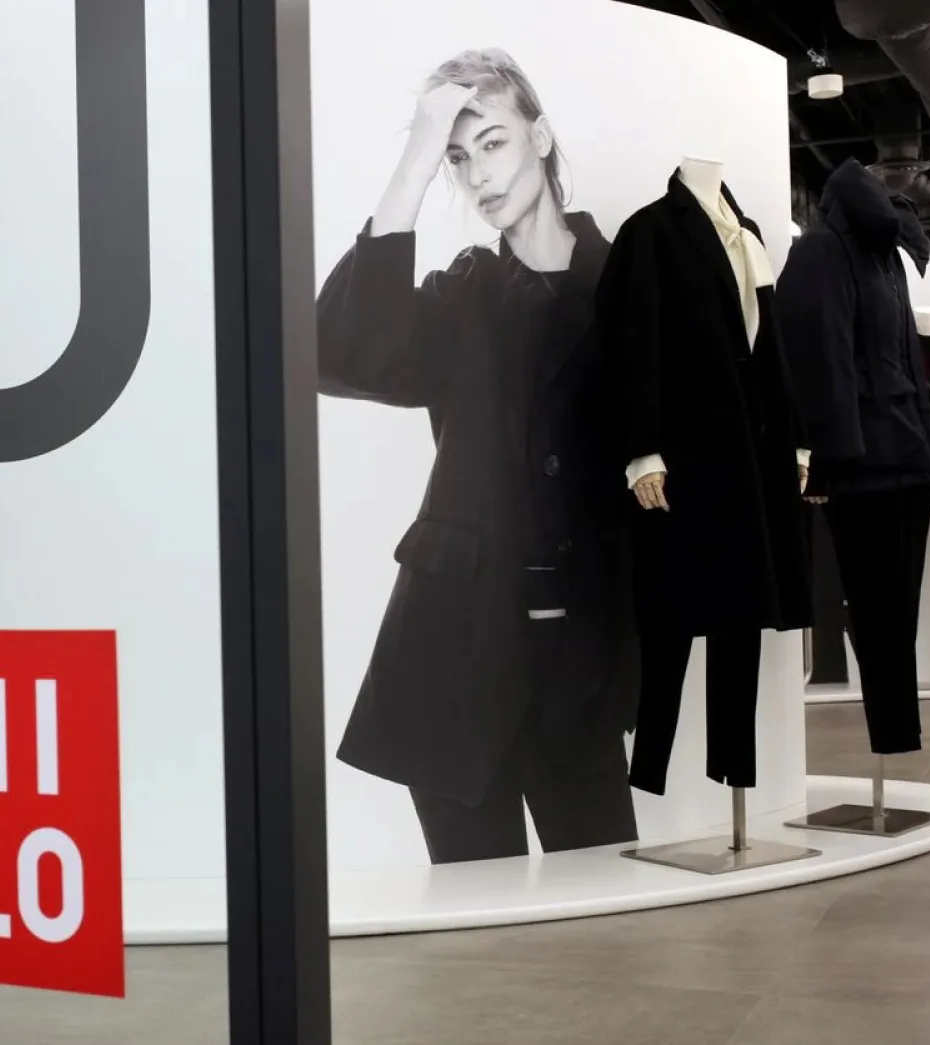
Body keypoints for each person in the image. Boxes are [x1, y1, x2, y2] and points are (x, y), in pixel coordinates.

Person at [318, 48, 639, 865]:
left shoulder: (629, 286)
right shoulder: (460, 296)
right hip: (455, 657)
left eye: (490, 143)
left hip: (581, 658)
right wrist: (416, 161)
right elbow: (338, 353)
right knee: (479, 932)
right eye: (460, 159)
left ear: (539, 135)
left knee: (603, 924)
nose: (478, 175)